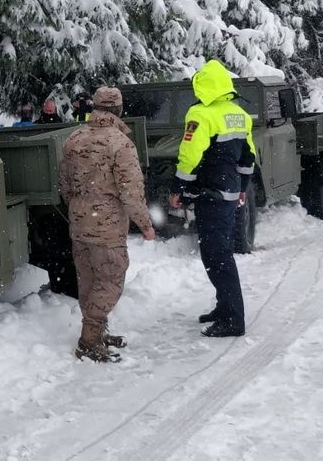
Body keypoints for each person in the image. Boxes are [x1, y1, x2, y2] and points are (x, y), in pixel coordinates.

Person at [59, 87, 155, 362]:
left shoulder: (74, 138)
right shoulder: (120, 143)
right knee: (112, 279)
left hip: (79, 223)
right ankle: (89, 340)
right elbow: (131, 192)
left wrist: (80, 207)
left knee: (88, 279)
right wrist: (145, 224)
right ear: (118, 110)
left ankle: (97, 331)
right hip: (108, 226)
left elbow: (64, 186)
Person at [169, 60, 256, 338]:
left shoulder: (200, 113)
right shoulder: (239, 113)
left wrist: (178, 186)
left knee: (217, 256)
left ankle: (233, 319)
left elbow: (190, 154)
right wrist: (242, 186)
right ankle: (224, 306)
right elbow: (248, 156)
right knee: (220, 252)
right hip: (228, 192)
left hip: (211, 194)